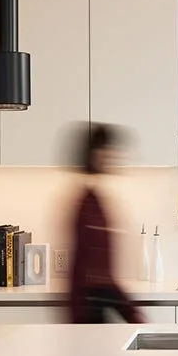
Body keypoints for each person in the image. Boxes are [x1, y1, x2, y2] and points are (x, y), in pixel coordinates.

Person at [67, 123, 145, 324]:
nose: (115, 155)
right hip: (88, 312)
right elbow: (92, 272)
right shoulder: (86, 203)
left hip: (91, 307)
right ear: (95, 154)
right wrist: (132, 313)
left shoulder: (93, 197)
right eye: (109, 149)